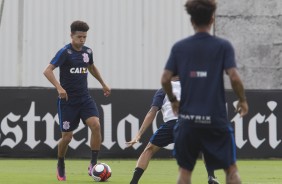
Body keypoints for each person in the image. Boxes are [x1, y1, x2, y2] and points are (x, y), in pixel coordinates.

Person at [161, 1, 248, 184]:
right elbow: (234, 77)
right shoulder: (223, 46)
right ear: (212, 19)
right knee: (231, 171)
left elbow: (165, 79)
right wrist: (242, 100)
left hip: (187, 121)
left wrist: (173, 100)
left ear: (192, 21)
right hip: (215, 120)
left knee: (184, 173)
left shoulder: (180, 47)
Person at [43, 20, 111, 181]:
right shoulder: (64, 52)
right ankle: (60, 163)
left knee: (96, 125)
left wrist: (103, 83)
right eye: (79, 37)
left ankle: (93, 163)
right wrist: (59, 88)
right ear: (71, 35)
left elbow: (91, 67)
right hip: (67, 101)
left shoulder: (88, 51)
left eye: (84, 37)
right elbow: (47, 71)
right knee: (67, 137)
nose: (82, 40)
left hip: (84, 98)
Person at [126, 77, 219, 184]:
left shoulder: (163, 90)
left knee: (149, 150)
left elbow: (152, 112)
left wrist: (139, 134)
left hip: (172, 124)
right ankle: (211, 177)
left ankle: (133, 182)